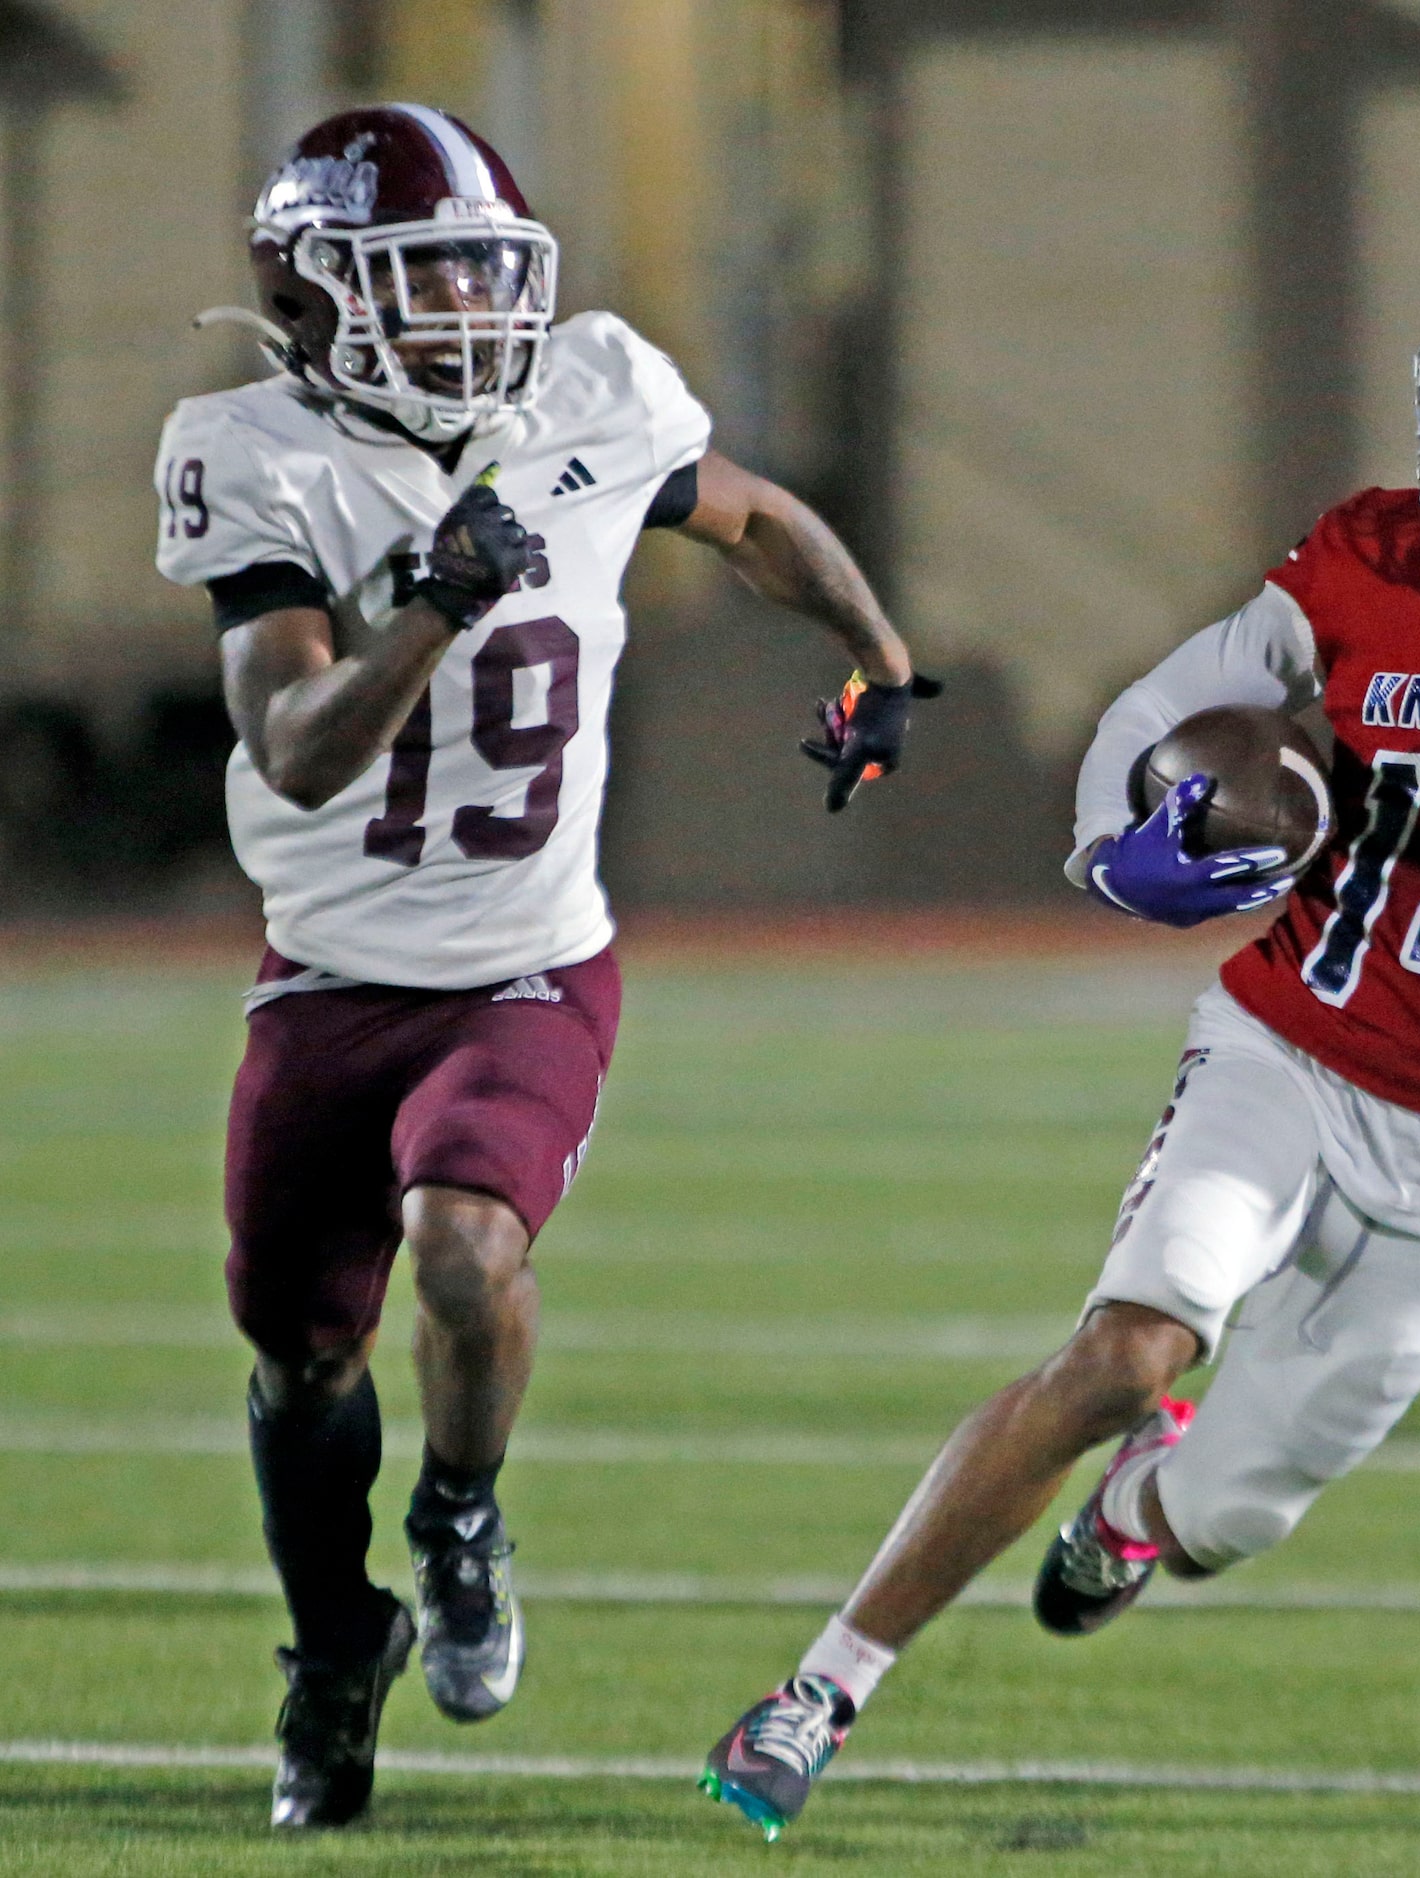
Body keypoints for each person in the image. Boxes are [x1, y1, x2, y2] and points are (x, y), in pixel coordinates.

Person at [698, 228, 1420, 1840]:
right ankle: (824, 1685)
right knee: (1128, 1347)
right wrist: (1113, 851)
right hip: (1286, 1043)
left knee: (1233, 1505)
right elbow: (1155, 710)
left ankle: (1143, 1511)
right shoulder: (1377, 551)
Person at [152, 104, 931, 1830]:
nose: (464, 315)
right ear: (313, 292)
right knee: (297, 1358)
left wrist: (878, 652)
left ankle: (462, 1513)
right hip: (328, 977)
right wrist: (428, 606)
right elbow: (291, 747)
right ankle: (334, 1644)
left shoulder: (586, 390)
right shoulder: (251, 449)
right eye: (419, 280)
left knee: (463, 1233)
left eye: (480, 275)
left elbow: (744, 515)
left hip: (529, 965)